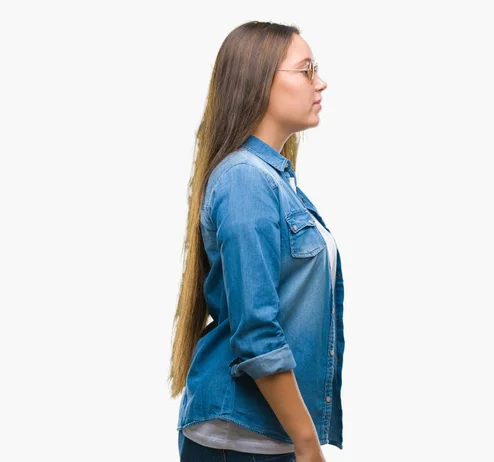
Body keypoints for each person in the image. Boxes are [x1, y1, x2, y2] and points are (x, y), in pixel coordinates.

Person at [168, 20, 345, 462]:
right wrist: (307, 444)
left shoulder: (272, 180)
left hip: (262, 434)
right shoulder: (246, 180)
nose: (319, 82)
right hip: (238, 436)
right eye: (306, 70)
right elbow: (257, 332)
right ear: (261, 81)